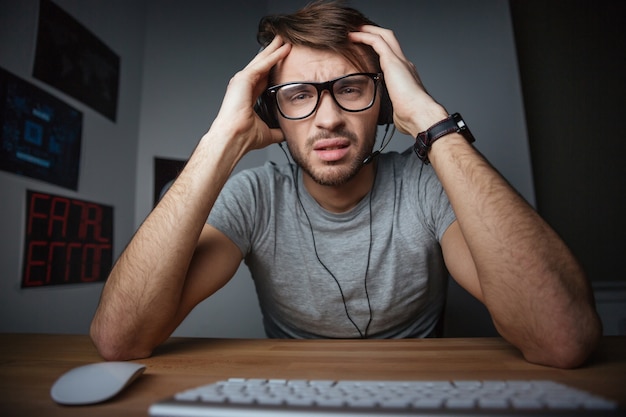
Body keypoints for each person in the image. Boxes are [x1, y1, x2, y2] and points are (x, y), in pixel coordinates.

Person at [90, 0, 601, 368]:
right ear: (273, 111)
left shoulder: (428, 184)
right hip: (295, 394)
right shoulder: (255, 197)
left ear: (382, 103)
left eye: (351, 88)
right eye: (298, 95)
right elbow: (120, 339)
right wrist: (222, 140)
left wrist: (430, 120)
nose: (327, 119)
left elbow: (562, 339)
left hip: (421, 390)